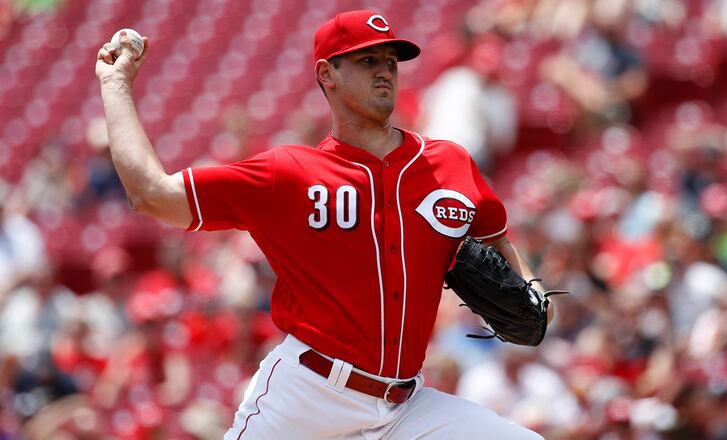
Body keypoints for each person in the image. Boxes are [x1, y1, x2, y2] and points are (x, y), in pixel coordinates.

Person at [95, 10, 550, 439]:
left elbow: (496, 238)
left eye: (391, 61)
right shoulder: (287, 173)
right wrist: (116, 86)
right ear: (326, 74)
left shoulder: (447, 164)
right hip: (308, 395)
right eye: (367, 59)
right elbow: (152, 194)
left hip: (405, 407)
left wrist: (532, 290)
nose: (384, 71)